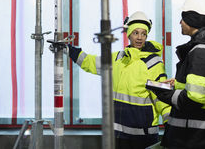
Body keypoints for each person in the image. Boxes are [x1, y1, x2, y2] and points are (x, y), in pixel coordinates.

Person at [68, 11, 171, 149]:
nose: (140, 37)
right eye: (136, 33)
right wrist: (70, 51)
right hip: (118, 135)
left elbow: (162, 97)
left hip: (143, 137)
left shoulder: (153, 62)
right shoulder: (118, 59)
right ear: (129, 34)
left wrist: (170, 124)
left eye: (143, 33)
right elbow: (91, 63)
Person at [148, 0, 205, 149]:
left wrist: (164, 93)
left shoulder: (201, 52)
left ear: (192, 20)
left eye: (183, 18)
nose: (180, 22)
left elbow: (195, 99)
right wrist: (178, 83)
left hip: (195, 139)